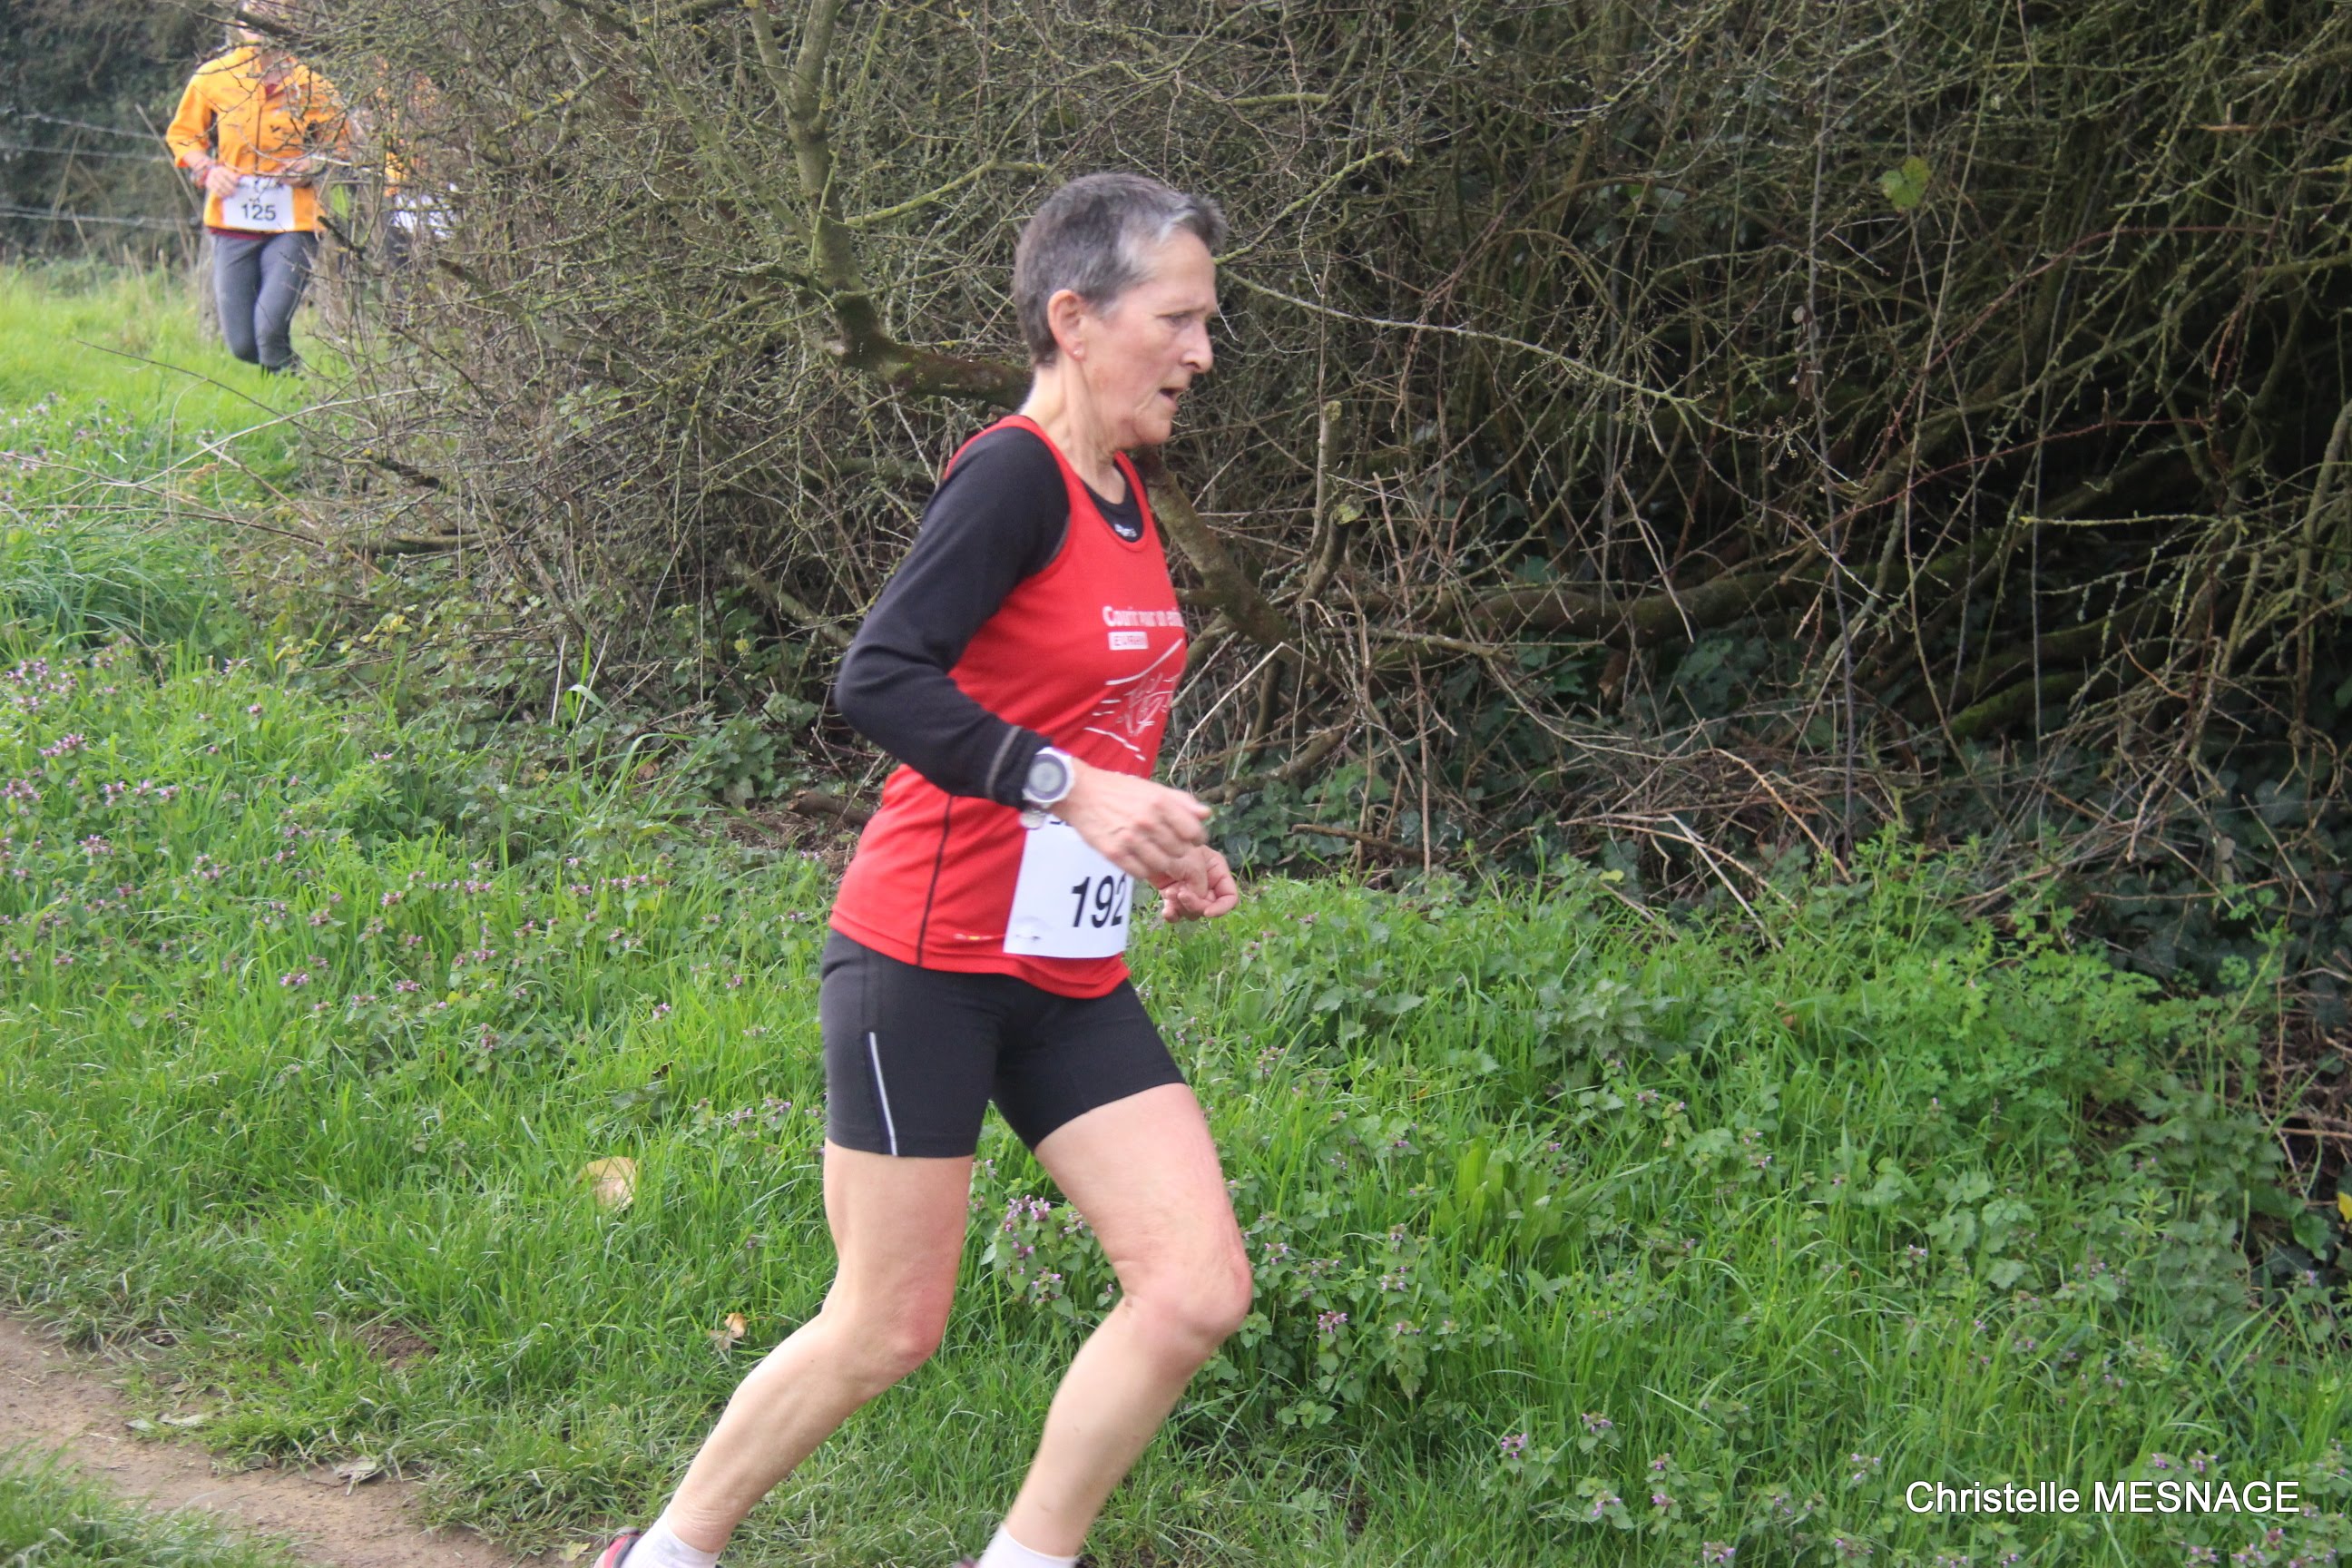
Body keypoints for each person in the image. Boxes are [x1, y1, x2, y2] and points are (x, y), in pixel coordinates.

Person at [596, 172, 1248, 1568]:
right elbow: (880, 676)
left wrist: (1155, 842)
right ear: (1074, 318)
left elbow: (1081, 724)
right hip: (928, 960)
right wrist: (1075, 791)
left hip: (1067, 970)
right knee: (887, 1326)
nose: (1204, 352)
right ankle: (665, 1554)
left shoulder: (1125, 490)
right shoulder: (1013, 475)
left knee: (1194, 1291)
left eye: (1208, 323)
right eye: (1180, 320)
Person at [163, 2, 347, 373]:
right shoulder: (214, 76)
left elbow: (343, 146)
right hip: (232, 220)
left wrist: (312, 164)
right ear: (240, 20)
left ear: (291, 18)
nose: (261, 18)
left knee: (269, 328)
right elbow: (183, 136)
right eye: (253, 8)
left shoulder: (312, 85)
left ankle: (297, 396)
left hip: (294, 223)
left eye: (273, 8)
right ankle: (294, 380)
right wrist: (207, 169)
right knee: (244, 345)